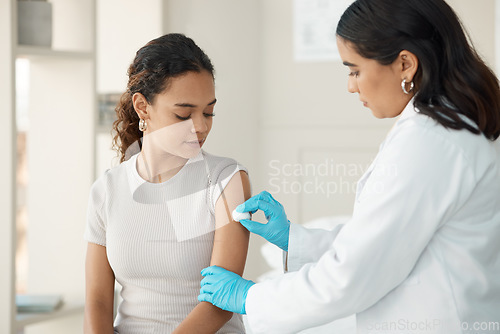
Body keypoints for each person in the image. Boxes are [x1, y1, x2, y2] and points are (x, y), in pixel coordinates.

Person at [198, 0, 500, 333]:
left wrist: (251, 297)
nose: (351, 85)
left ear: (405, 64)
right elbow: (386, 242)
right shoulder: (450, 126)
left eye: (354, 69)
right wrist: (293, 240)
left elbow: (355, 274)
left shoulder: (431, 141)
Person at [84, 33, 251, 333]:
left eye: (208, 112)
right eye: (184, 114)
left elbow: (220, 303)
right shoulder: (107, 190)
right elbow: (97, 301)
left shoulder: (226, 181)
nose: (200, 126)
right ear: (143, 107)